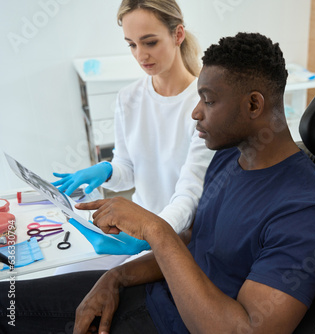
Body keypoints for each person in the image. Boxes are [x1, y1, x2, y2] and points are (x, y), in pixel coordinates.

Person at [0, 32, 315, 334]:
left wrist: (154, 229)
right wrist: (115, 278)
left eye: (208, 101)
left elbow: (242, 330)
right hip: (152, 296)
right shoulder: (229, 158)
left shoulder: (306, 213)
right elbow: (194, 242)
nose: (196, 112)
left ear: (254, 104)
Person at [53, 0, 214, 271]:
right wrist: (106, 170)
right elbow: (127, 170)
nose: (141, 55)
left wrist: (150, 234)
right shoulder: (128, 98)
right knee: (61, 273)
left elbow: (191, 193)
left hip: (177, 234)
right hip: (134, 222)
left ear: (178, 35)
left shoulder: (203, 105)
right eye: (132, 44)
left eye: (150, 42)